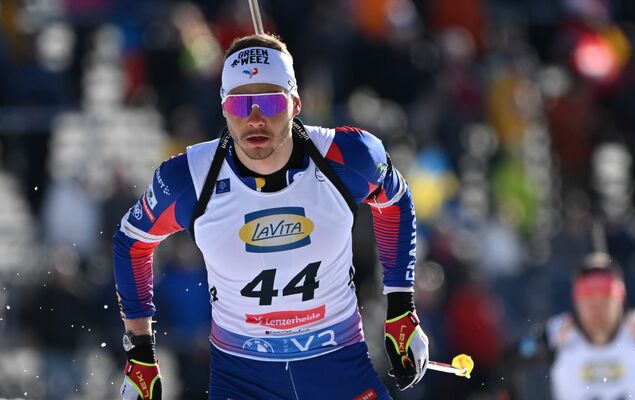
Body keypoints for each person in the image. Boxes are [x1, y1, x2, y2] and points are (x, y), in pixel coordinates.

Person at [114, 33, 429, 400]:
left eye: (269, 101)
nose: (255, 119)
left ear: (295, 103)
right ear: (222, 109)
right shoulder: (190, 179)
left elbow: (395, 200)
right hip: (244, 378)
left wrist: (400, 307)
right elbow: (131, 241)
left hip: (338, 368)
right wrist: (140, 353)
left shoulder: (348, 156)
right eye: (240, 104)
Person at [512, 252, 635, 400]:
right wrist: (545, 349)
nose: (597, 312)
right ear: (577, 304)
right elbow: (510, 361)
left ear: (619, 302)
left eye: (605, 302)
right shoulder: (557, 333)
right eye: (589, 303)